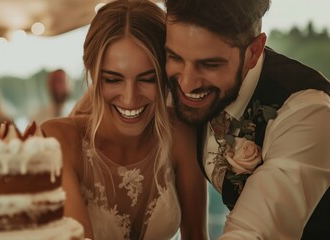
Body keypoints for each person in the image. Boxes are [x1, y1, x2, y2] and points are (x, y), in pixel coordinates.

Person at [164, 0, 330, 239]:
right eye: (175, 57)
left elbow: (253, 232)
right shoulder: (181, 84)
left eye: (210, 64)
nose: (187, 83)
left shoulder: (308, 111)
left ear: (253, 52)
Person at [42, 1, 207, 239]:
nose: (130, 99)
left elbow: (196, 233)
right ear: (92, 73)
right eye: (113, 79)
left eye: (147, 79)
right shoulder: (57, 140)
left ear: (165, 76)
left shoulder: (181, 131)